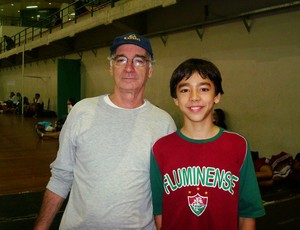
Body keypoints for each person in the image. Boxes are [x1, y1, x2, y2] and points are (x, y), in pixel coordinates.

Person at [34, 32, 176, 229]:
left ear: (150, 69)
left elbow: (167, 192)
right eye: (121, 60)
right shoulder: (81, 112)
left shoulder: (164, 124)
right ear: (111, 67)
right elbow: (61, 177)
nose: (129, 68)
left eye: (138, 61)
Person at [150, 58, 265, 230]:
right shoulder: (161, 149)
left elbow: (247, 214)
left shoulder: (238, 145)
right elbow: (160, 214)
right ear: (175, 99)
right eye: (185, 90)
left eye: (203, 89)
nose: (194, 97)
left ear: (217, 96)